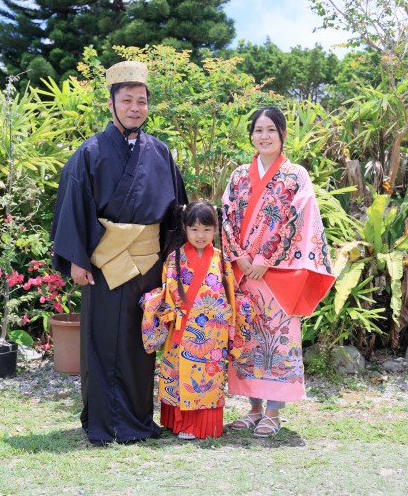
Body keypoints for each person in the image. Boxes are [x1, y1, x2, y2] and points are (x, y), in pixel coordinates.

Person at [50, 61, 188, 445]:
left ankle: (138, 420)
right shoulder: (90, 153)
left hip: (148, 265)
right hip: (106, 266)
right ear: (110, 104)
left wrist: (180, 258)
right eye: (126, 100)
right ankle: (104, 422)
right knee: (102, 341)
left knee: (141, 343)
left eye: (141, 101)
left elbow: (176, 211)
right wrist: (77, 258)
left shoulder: (160, 153)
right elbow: (73, 204)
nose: (135, 108)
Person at [221, 106, 337, 437]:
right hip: (243, 272)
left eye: (271, 129)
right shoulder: (239, 175)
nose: (264, 136)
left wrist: (265, 259)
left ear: (283, 134)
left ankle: (274, 412)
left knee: (278, 341)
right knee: (248, 341)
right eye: (258, 130)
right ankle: (254, 409)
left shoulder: (296, 175)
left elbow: (298, 218)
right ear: (251, 136)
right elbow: (227, 214)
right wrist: (240, 256)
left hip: (277, 272)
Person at [140, 201, 251, 440]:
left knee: (206, 377)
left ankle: (201, 425)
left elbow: (230, 297)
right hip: (181, 329)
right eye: (194, 229)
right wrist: (161, 309)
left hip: (212, 333)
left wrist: (229, 319)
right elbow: (168, 292)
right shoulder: (174, 259)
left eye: (207, 229)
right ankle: (178, 422)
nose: (201, 235)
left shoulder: (222, 260)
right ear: (184, 228)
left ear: (215, 229)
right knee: (179, 375)